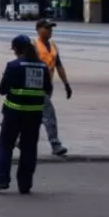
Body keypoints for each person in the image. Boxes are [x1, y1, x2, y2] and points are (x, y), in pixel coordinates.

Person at [0, 35, 52, 194]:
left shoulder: (13, 66)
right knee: (29, 148)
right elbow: (48, 89)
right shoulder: (42, 67)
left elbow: (2, 90)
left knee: (5, 145)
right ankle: (25, 184)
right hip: (34, 115)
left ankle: (2, 179)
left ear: (17, 49)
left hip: (13, 113)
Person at [33, 19, 71, 156]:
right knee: (49, 116)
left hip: (48, 87)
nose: (50, 31)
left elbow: (59, 66)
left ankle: (21, 140)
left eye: (51, 28)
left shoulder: (53, 46)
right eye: (47, 28)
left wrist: (66, 84)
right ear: (38, 29)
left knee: (36, 117)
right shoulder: (33, 45)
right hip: (36, 88)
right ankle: (56, 144)